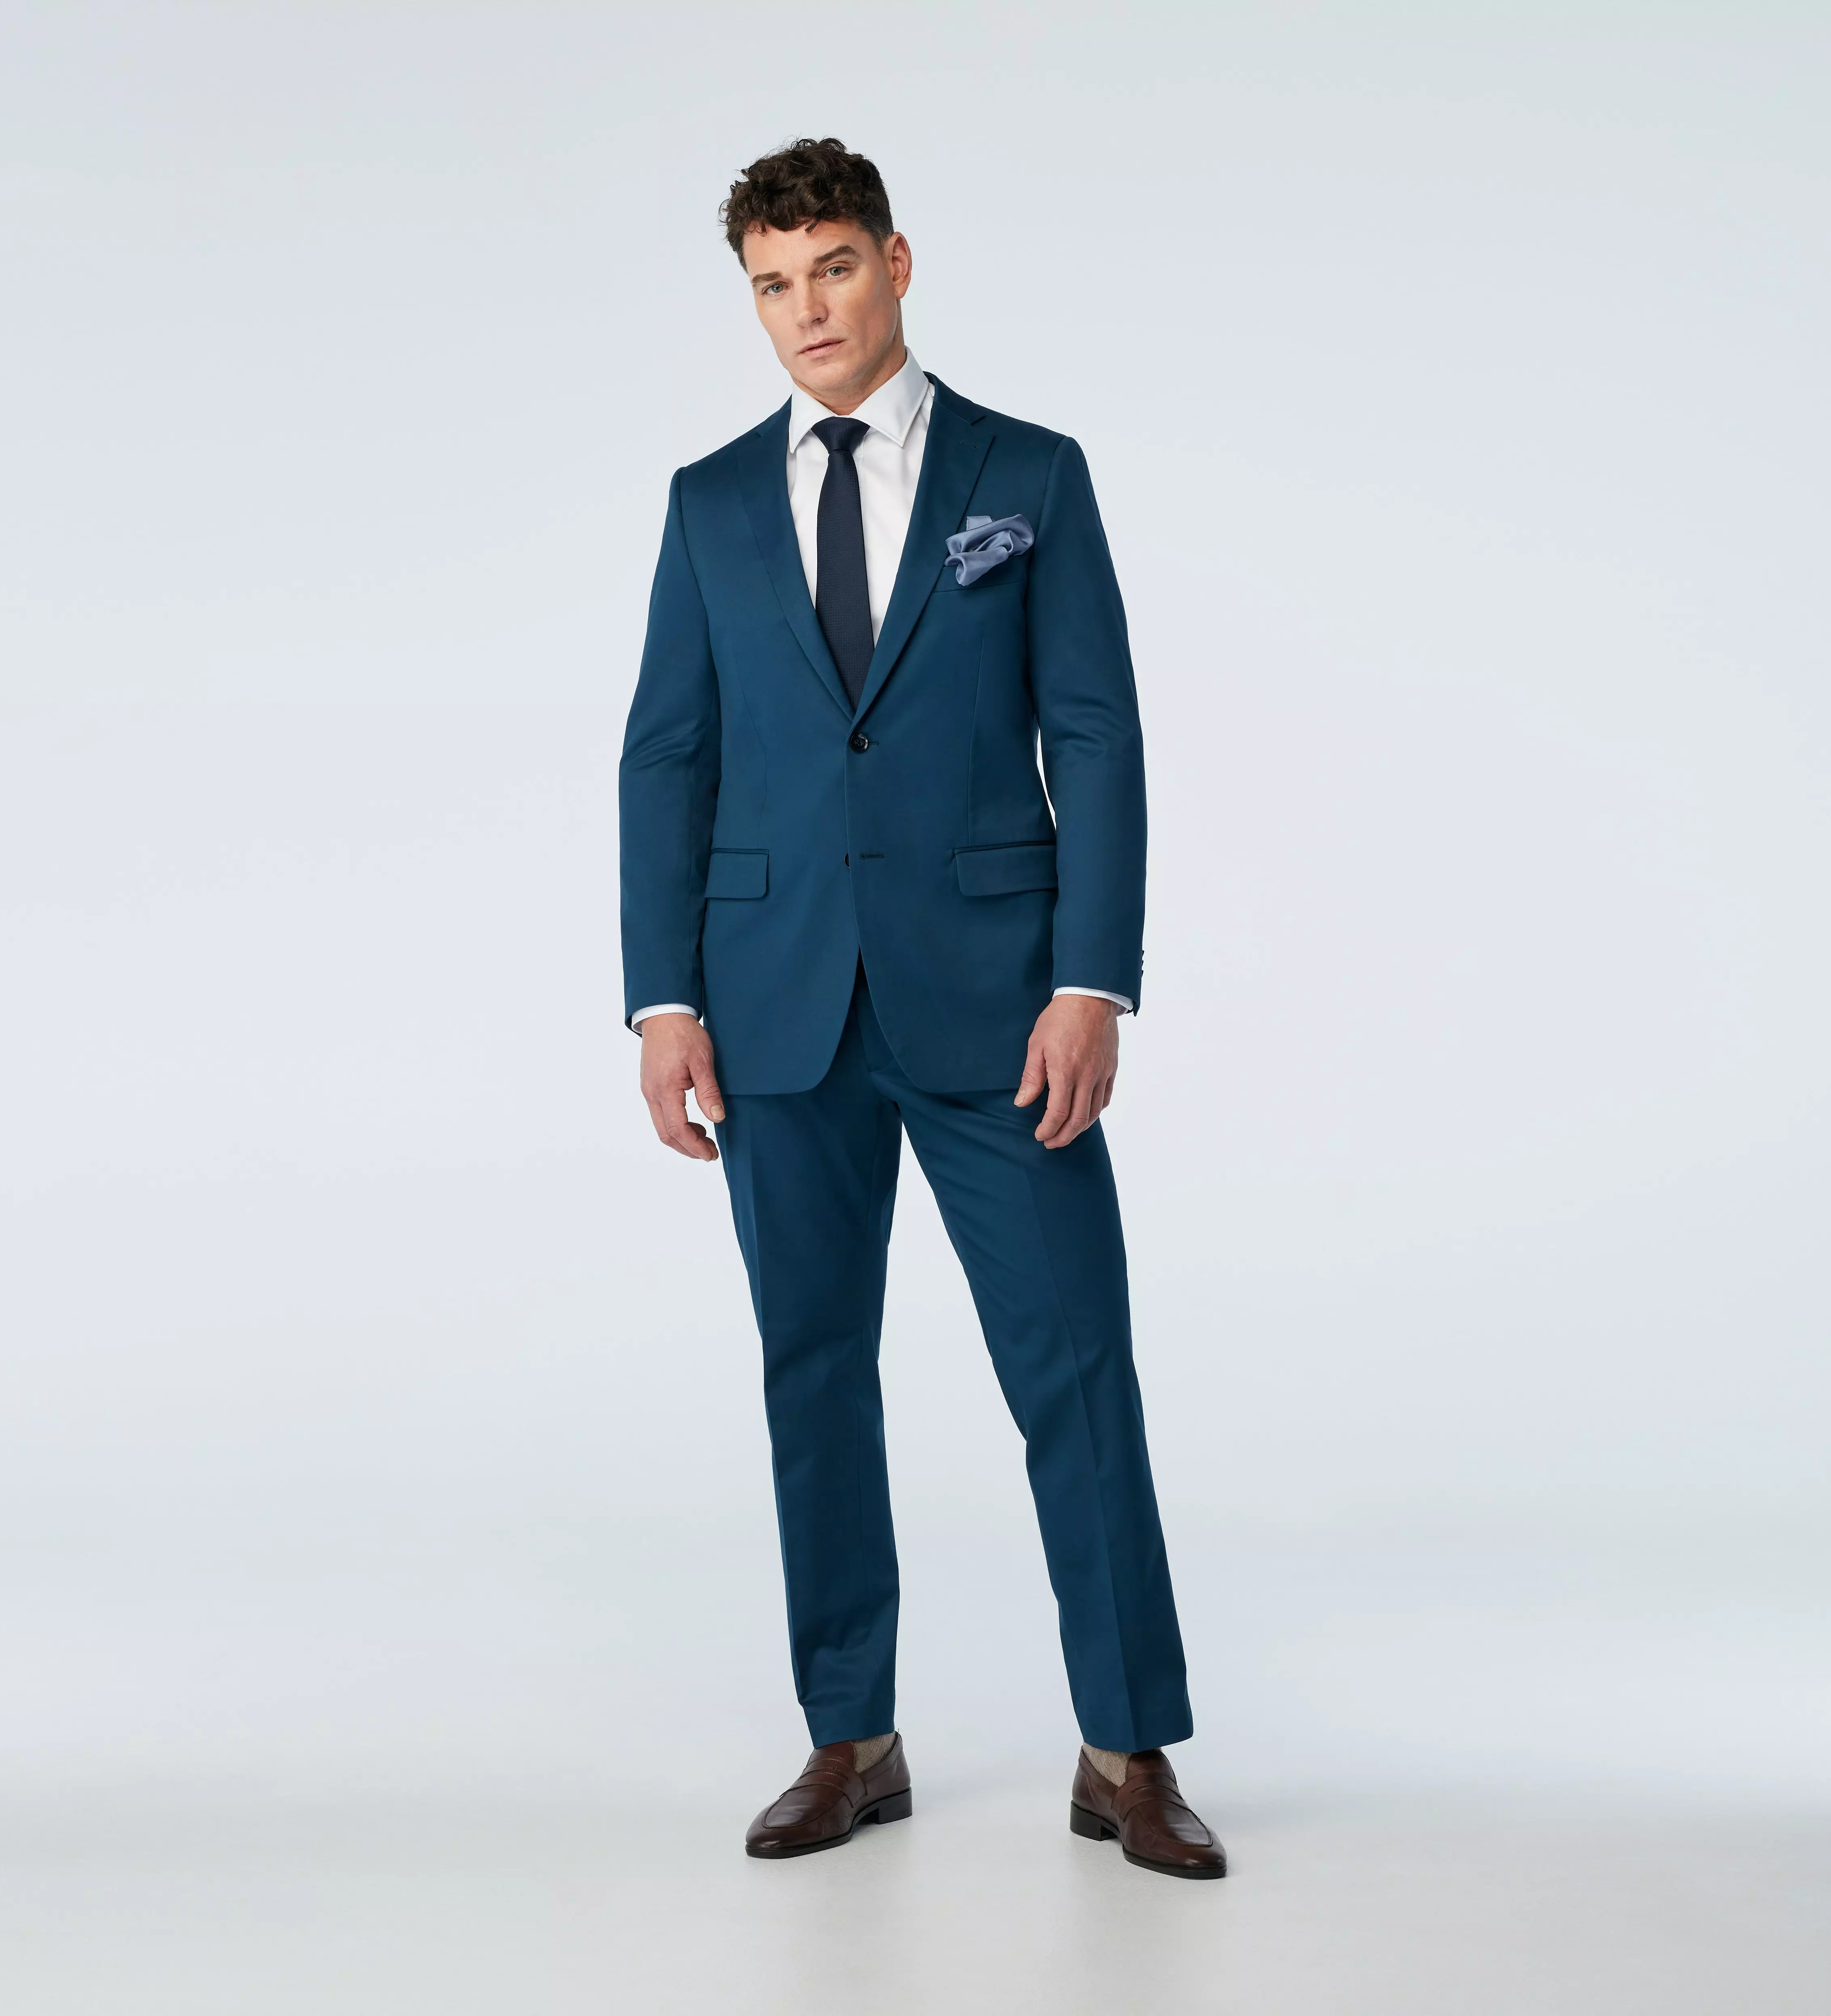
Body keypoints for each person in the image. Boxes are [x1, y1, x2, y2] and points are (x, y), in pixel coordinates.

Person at [617, 137, 1223, 1880]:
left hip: (997, 1004)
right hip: (774, 1003)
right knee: (812, 1369)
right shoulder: (709, 503)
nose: (804, 310)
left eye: (830, 268)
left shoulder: (1027, 474)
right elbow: (668, 755)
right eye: (771, 284)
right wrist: (663, 998)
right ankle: (850, 1734)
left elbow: (1092, 732)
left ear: (894, 262)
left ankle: (1125, 1749)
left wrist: (1091, 977)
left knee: (1074, 1363)